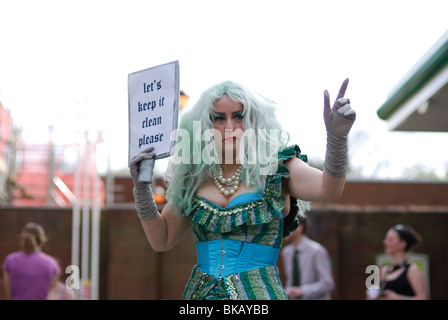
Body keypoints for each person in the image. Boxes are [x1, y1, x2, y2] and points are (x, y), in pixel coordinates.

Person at [129, 78, 356, 300]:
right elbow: (162, 240)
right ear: (205, 125)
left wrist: (337, 138)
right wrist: (141, 192)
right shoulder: (193, 178)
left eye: (239, 116)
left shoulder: (277, 168)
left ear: (254, 121)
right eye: (219, 118)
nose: (230, 127)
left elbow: (328, 189)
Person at [280, 202, 334, 299]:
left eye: (287, 225)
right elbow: (290, 281)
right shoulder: (286, 252)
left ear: (299, 227)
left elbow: (327, 283)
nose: (283, 229)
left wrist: (302, 290)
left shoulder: (317, 250)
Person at [2, 222, 61, 300]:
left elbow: (6, 294)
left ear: (22, 240)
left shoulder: (10, 260)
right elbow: (51, 294)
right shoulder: (52, 264)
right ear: (42, 242)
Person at [376, 224, 428, 300]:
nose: (385, 242)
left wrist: (399, 298)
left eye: (390, 240)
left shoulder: (412, 270)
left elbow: (423, 298)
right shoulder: (384, 270)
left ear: (402, 244)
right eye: (386, 239)